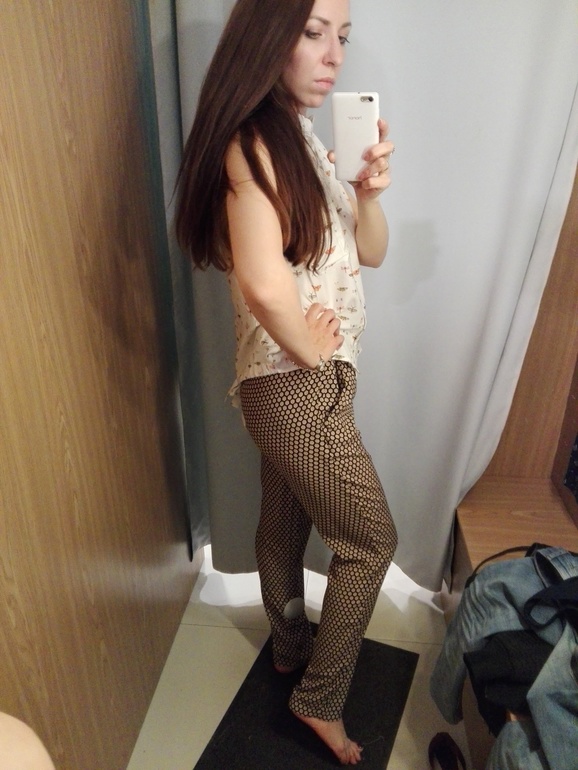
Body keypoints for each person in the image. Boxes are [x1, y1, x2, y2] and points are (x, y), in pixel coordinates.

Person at [176, 0, 398, 764]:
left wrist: (366, 194)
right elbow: (266, 286)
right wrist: (312, 350)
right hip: (296, 383)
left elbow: (371, 252)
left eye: (343, 36)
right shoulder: (254, 144)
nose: (334, 54)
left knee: (283, 521)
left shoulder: (298, 141)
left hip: (283, 386)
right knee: (370, 542)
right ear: (268, 36)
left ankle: (288, 645)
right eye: (313, 33)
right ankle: (319, 699)